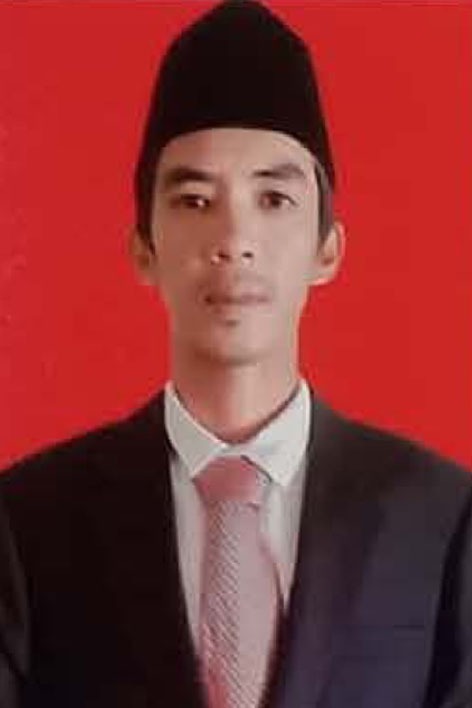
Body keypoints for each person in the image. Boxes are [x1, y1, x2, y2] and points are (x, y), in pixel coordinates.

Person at [0, 1, 471, 707]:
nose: (234, 240)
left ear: (328, 248)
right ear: (142, 248)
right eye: (194, 201)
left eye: (273, 199)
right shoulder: (29, 522)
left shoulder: (440, 519)